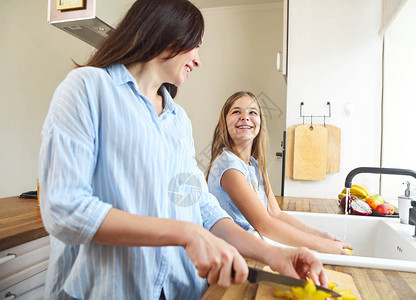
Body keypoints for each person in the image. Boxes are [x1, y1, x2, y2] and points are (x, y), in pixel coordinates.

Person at [39, 1, 328, 299]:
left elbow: (202, 207)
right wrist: (185, 233)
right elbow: (64, 208)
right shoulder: (87, 88)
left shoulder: (178, 120)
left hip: (181, 290)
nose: (198, 60)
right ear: (166, 32)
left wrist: (274, 256)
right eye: (195, 46)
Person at [207, 91, 353, 255]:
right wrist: (322, 246)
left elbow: (276, 214)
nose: (245, 117)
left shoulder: (255, 165)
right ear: (224, 122)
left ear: (260, 123)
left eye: (252, 112)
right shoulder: (228, 166)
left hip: (249, 247)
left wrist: (322, 236)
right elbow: (264, 224)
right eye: (236, 111)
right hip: (231, 254)